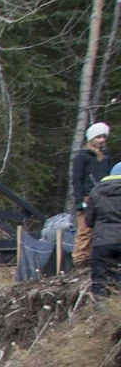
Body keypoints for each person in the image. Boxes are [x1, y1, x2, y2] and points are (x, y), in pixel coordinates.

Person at [72, 123, 112, 271]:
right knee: (85, 231)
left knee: (100, 230)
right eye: (98, 137)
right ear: (91, 138)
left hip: (104, 197)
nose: (102, 140)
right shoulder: (81, 157)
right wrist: (78, 200)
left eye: (104, 137)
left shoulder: (106, 157)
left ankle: (94, 260)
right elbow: (77, 180)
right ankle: (80, 261)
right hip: (87, 198)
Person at [84, 165, 121, 297]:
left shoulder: (96, 191)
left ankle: (101, 311)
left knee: (99, 282)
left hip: (102, 243)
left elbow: (88, 221)